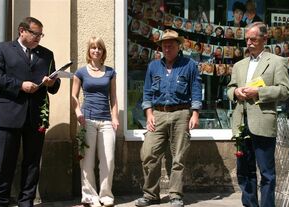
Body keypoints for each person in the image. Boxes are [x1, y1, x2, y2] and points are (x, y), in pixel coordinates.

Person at [0, 16, 61, 207]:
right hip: (10, 113)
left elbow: (55, 86)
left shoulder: (47, 54)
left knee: (32, 162)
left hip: (36, 116)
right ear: (22, 31)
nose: (39, 37)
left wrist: (53, 82)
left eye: (41, 34)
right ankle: (0, 201)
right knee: (4, 162)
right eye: (35, 33)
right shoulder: (3, 49)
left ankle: (26, 200)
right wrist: (20, 85)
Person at [134, 29, 202, 207]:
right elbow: (147, 92)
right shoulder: (153, 66)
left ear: (178, 46)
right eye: (164, 44)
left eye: (171, 44)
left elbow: (196, 90)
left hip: (181, 113)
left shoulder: (190, 65)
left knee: (178, 157)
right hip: (158, 113)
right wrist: (149, 114)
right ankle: (150, 194)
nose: (167, 47)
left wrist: (195, 113)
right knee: (148, 153)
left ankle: (175, 195)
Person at [227, 22, 289, 207]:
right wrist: (235, 92)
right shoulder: (239, 65)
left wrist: (259, 93)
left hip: (262, 122)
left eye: (253, 39)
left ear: (265, 39)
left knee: (267, 174)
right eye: (247, 39)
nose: (249, 43)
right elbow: (229, 89)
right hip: (241, 123)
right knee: (244, 172)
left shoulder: (277, 61)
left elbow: (284, 90)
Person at [72, 37, 119, 207]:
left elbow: (113, 97)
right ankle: (89, 196)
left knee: (109, 160)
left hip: (106, 120)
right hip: (87, 120)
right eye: (93, 48)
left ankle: (106, 195)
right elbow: (74, 96)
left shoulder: (110, 72)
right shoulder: (81, 72)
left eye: (99, 48)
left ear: (103, 52)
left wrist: (115, 118)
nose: (96, 51)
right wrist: (78, 112)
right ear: (89, 51)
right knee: (87, 161)